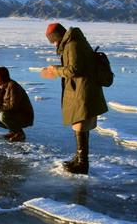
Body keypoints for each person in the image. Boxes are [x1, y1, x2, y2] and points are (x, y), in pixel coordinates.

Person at [40, 22, 108, 174]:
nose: (54, 45)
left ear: (58, 37)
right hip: (82, 89)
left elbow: (74, 69)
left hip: (83, 91)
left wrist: (55, 70)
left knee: (80, 125)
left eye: (53, 41)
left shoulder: (72, 45)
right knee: (80, 125)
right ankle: (79, 158)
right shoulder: (73, 42)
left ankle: (82, 163)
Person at [0, 66, 34, 142]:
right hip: (13, 114)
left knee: (2, 116)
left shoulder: (13, 86)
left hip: (24, 116)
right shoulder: (0, 88)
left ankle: (19, 133)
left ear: (2, 76)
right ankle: (14, 131)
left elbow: (13, 106)